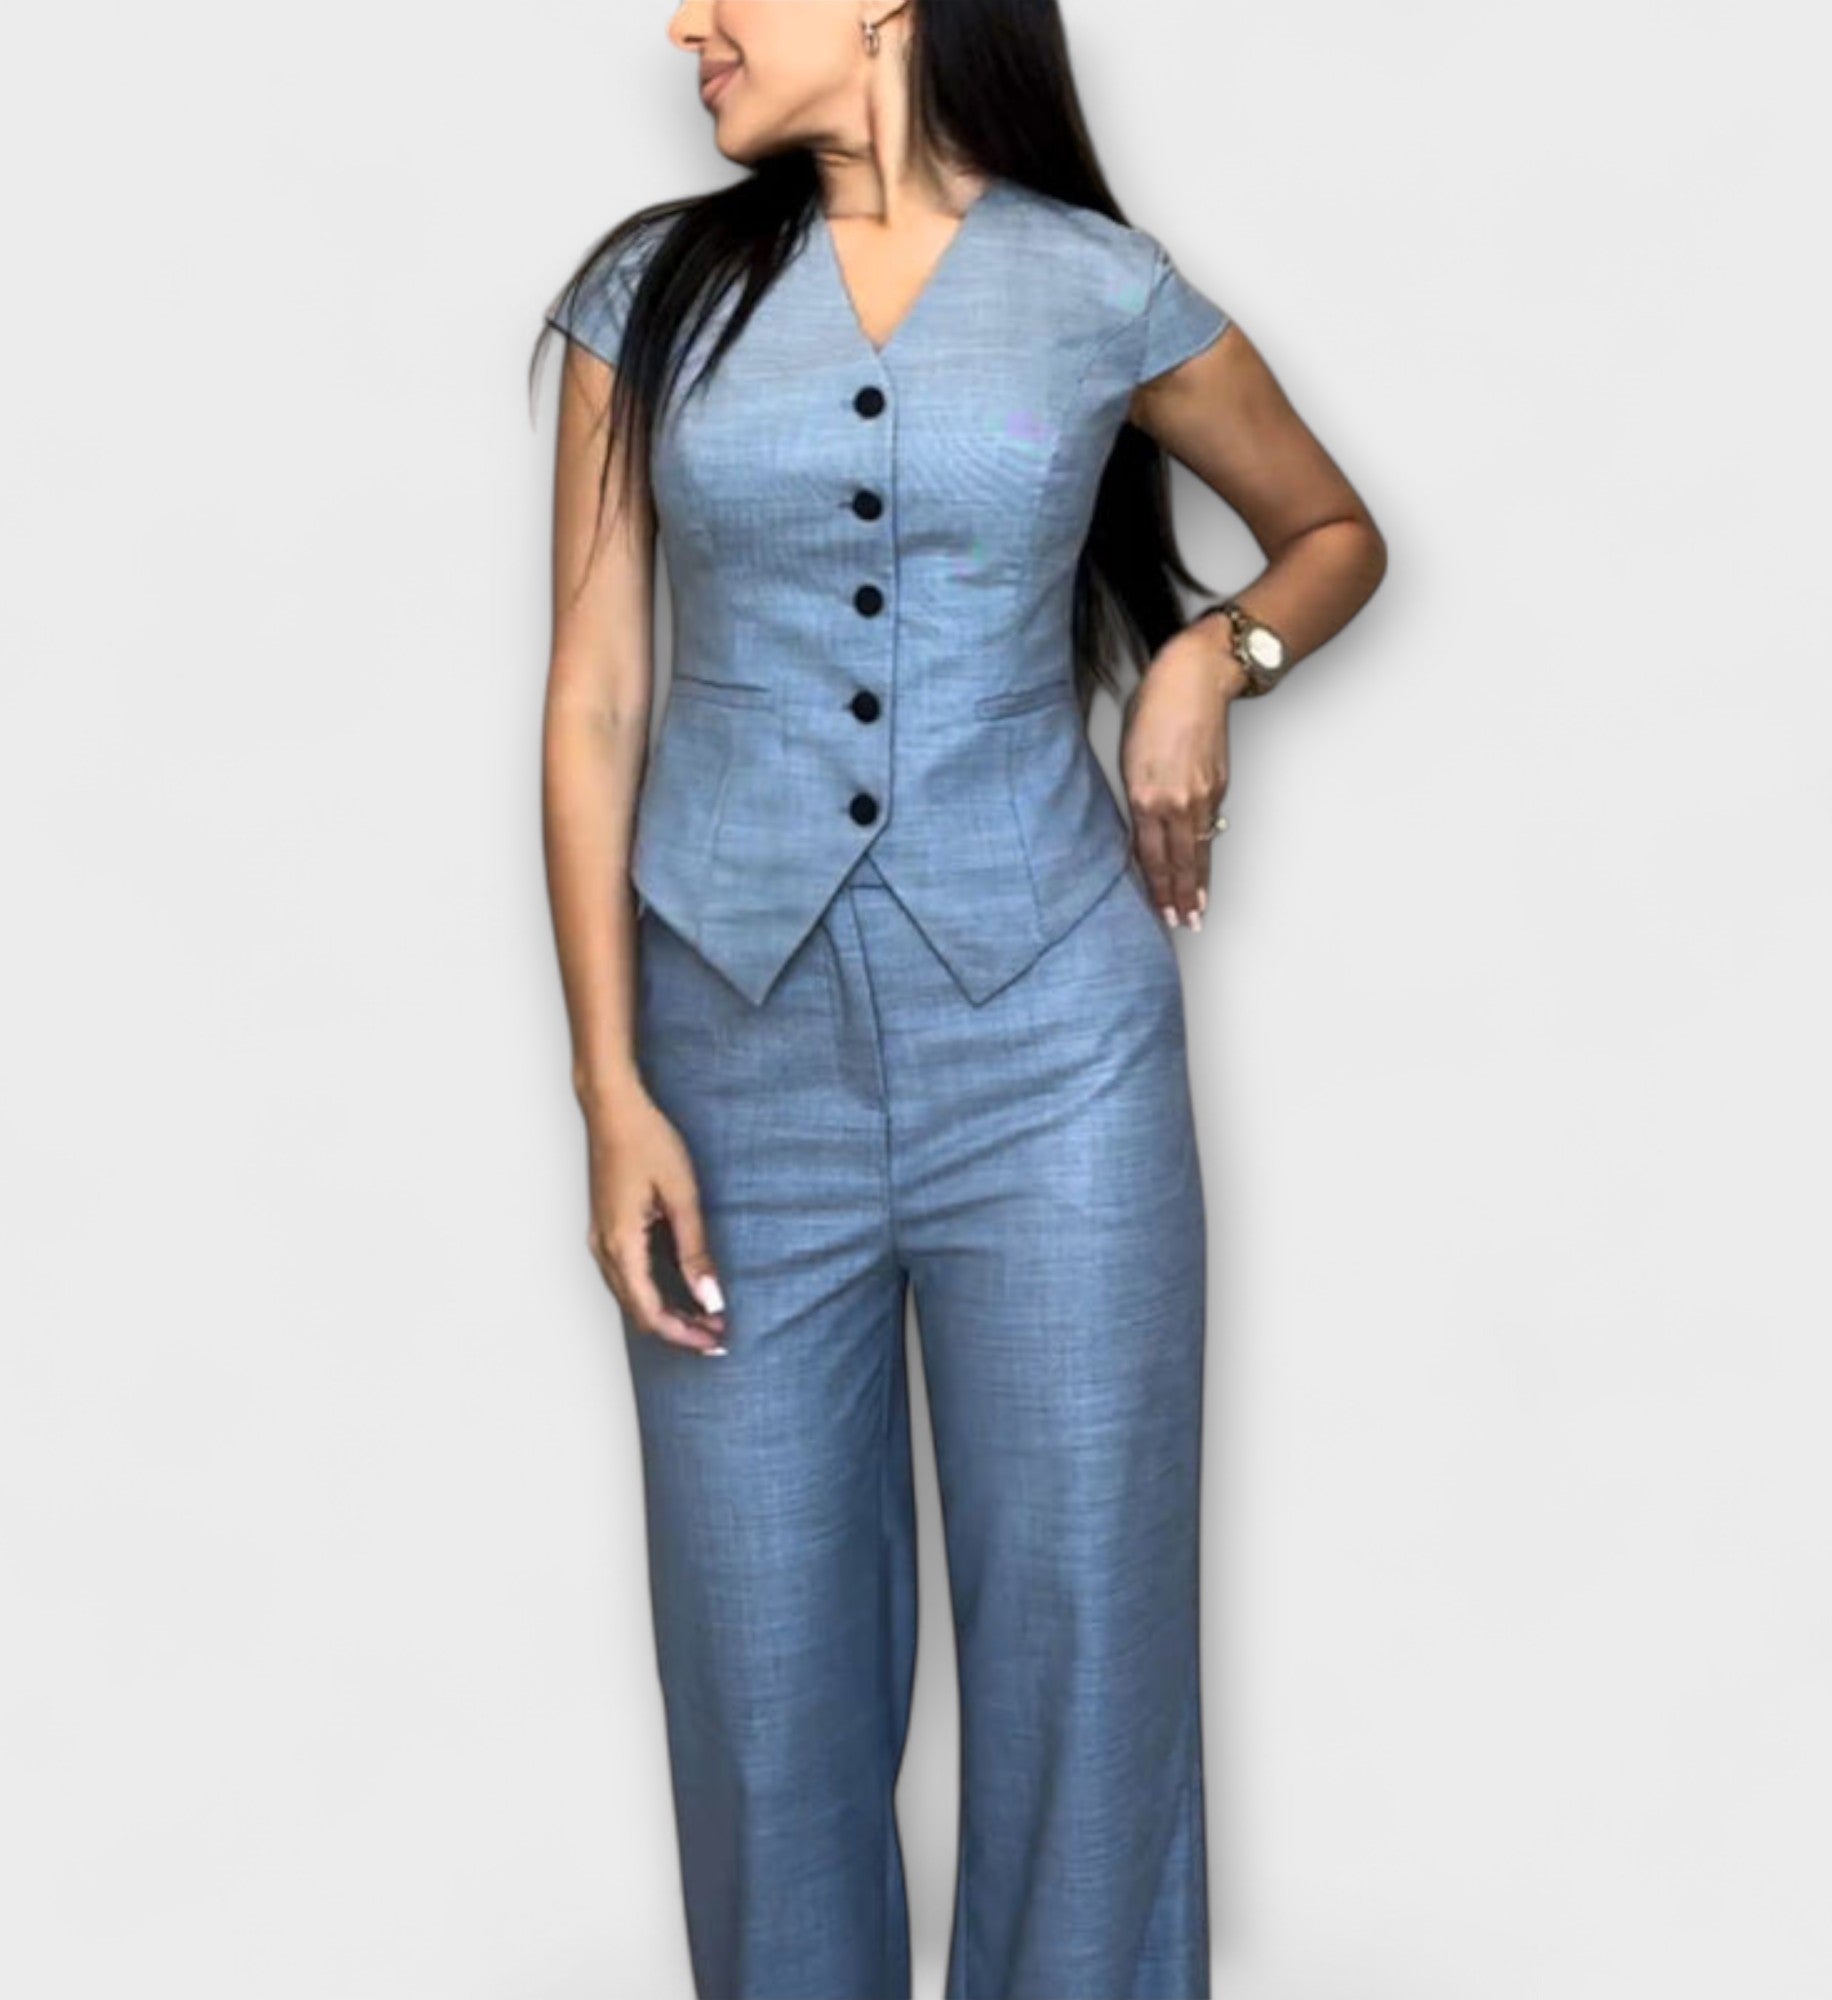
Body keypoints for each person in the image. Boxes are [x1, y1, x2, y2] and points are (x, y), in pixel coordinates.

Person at [536, 4, 1386, 1994]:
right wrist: (611, 1090)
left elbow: (1332, 535)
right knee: (761, 1672)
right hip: (728, 1067)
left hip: (1055, 1054)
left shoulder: (1096, 289)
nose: (687, 21)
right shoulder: (646, 299)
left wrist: (1212, 659)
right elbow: (593, 700)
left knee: (1088, 1637)